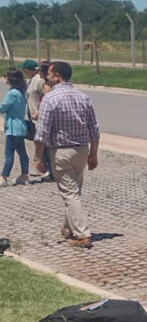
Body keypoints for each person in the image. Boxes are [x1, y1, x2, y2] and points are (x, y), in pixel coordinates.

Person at [33, 61, 100, 248]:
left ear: (57, 76)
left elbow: (42, 133)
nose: (47, 76)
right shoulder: (83, 97)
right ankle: (68, 227)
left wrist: (38, 157)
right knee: (75, 191)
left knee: (70, 194)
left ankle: (83, 235)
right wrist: (93, 154)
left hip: (61, 151)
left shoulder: (50, 99)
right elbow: (94, 129)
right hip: (82, 149)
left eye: (50, 73)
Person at [0, 69, 30, 186]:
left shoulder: (12, 93)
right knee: (22, 152)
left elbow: (3, 107)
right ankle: (24, 174)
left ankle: (4, 176)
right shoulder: (21, 92)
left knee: (9, 153)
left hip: (13, 126)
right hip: (21, 126)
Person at [24, 61, 53, 180]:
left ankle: (48, 170)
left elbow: (47, 96)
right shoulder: (31, 80)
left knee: (43, 145)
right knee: (39, 143)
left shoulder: (39, 80)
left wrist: (39, 111)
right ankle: (43, 168)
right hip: (33, 118)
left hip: (40, 119)